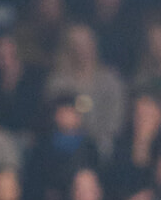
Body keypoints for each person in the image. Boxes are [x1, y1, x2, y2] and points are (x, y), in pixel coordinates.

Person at [44, 23, 127, 162]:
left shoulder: (111, 80)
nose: (82, 49)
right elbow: (52, 118)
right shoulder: (58, 82)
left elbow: (116, 121)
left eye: (86, 42)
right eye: (76, 44)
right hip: (66, 144)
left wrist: (92, 136)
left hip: (103, 144)